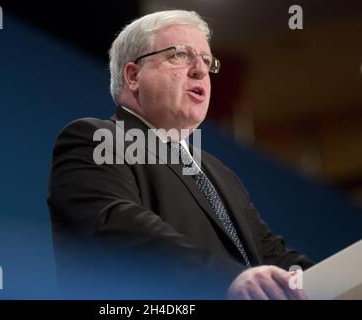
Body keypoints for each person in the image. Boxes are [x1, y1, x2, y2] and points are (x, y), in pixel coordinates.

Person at [47, 9, 313, 299]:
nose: (200, 70)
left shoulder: (219, 174)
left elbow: (271, 253)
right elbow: (119, 227)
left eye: (207, 61)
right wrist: (228, 279)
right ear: (134, 75)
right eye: (180, 55)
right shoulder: (95, 138)